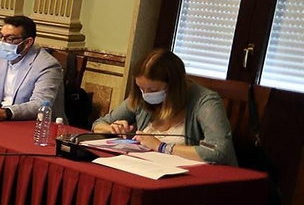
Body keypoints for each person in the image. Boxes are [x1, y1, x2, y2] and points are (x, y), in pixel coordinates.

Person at [92, 48, 236, 164]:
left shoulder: (206, 102)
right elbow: (98, 124)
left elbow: (219, 151)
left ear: (173, 85)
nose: (146, 95)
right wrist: (113, 129)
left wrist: (161, 146)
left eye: (153, 90)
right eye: (141, 89)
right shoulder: (141, 98)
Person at [0, 14, 64, 121]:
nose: (2, 42)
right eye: (0, 36)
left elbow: (40, 104)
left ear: (27, 42)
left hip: (32, 124)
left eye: (10, 39)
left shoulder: (47, 65)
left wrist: (7, 112)